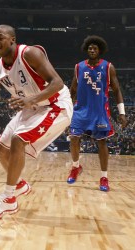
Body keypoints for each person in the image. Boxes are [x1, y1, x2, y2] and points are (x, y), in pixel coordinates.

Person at [0, 25, 73, 220]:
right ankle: (19, 185)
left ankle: (8, 199)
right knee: (0, 147)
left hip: (55, 105)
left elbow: (57, 83)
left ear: (12, 39)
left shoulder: (30, 54)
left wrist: (31, 99)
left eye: (0, 37)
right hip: (31, 107)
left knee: (18, 140)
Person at [67, 35, 128, 191]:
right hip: (80, 110)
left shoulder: (108, 67)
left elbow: (116, 90)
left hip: (99, 111)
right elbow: (72, 90)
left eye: (95, 48)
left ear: (100, 50)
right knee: (74, 138)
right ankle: (75, 167)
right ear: (86, 50)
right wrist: (66, 108)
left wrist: (122, 113)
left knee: (101, 143)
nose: (92, 50)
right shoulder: (78, 67)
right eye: (89, 48)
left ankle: (104, 177)